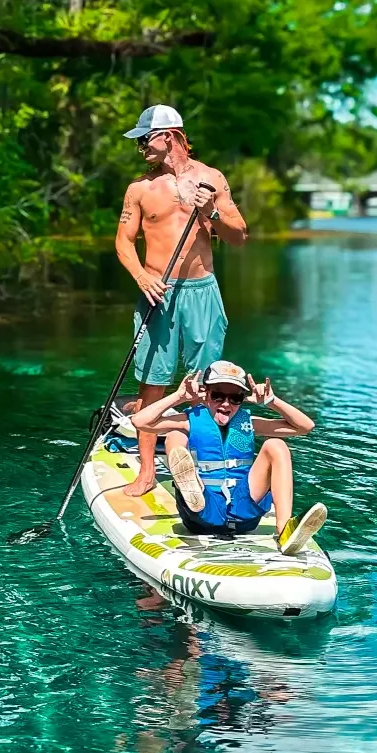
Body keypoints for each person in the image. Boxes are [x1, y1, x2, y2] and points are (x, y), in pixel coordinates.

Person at [116, 104, 247, 496]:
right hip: (157, 293)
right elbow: (123, 241)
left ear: (168, 136)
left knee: (207, 384)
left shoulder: (212, 178)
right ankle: (146, 472)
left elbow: (239, 236)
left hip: (202, 293)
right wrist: (141, 277)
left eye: (145, 139)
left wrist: (212, 213)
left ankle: (201, 465)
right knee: (152, 384)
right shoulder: (139, 188)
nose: (141, 147)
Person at [127, 360, 327, 554]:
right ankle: (190, 485)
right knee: (175, 438)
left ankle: (284, 530)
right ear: (205, 395)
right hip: (203, 513)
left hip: (245, 511)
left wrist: (272, 401)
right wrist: (178, 397)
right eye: (218, 396)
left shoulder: (249, 422)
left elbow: (305, 426)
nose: (226, 404)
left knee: (276, 445)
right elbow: (139, 421)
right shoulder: (190, 420)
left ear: (241, 400)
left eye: (235, 399)